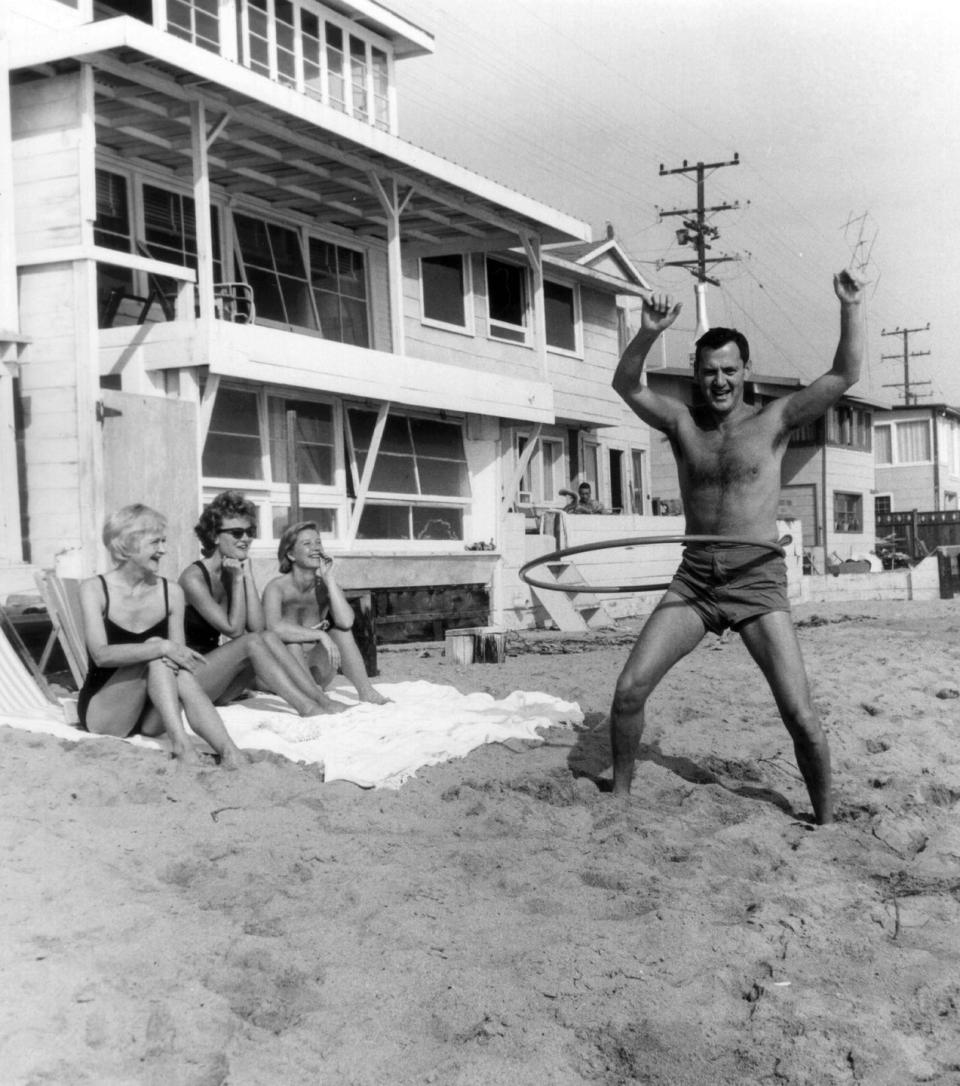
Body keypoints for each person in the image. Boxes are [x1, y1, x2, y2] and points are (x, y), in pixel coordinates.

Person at [608, 269, 865, 825]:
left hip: (755, 582)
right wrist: (649, 331)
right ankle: (619, 803)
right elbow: (626, 385)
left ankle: (825, 821)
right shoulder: (680, 422)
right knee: (629, 690)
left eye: (729, 370)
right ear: (697, 376)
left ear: (746, 372)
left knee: (799, 714)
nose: (719, 382)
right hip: (697, 580)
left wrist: (850, 304)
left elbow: (844, 373)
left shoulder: (774, 420)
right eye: (708, 373)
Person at [77, 504, 245, 768]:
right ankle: (182, 746)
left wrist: (165, 649)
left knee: (168, 658)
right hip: (106, 712)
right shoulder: (94, 590)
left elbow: (177, 664)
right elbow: (101, 655)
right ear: (126, 544)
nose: (164, 550)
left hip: (153, 715)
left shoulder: (172, 592)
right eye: (156, 542)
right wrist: (161, 647)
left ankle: (229, 750)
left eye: (164, 541)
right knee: (158, 647)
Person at [179, 491, 345, 716]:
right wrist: (238, 579)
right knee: (252, 643)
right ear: (214, 536)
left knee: (266, 638)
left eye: (250, 532)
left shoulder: (233, 570)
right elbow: (235, 630)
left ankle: (318, 698)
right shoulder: (193, 578)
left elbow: (258, 628)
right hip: (190, 679)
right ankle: (305, 706)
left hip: (219, 683)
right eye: (237, 532)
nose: (246, 538)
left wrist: (247, 575)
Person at [263, 521, 389, 705]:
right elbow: (273, 627)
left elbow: (346, 622)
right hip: (284, 668)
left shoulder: (325, 586)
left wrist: (329, 579)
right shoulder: (276, 587)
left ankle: (366, 691)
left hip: (316, 667)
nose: (315, 548)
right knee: (292, 643)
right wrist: (319, 634)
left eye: (318, 542)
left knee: (340, 632)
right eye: (307, 544)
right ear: (290, 554)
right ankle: (315, 696)